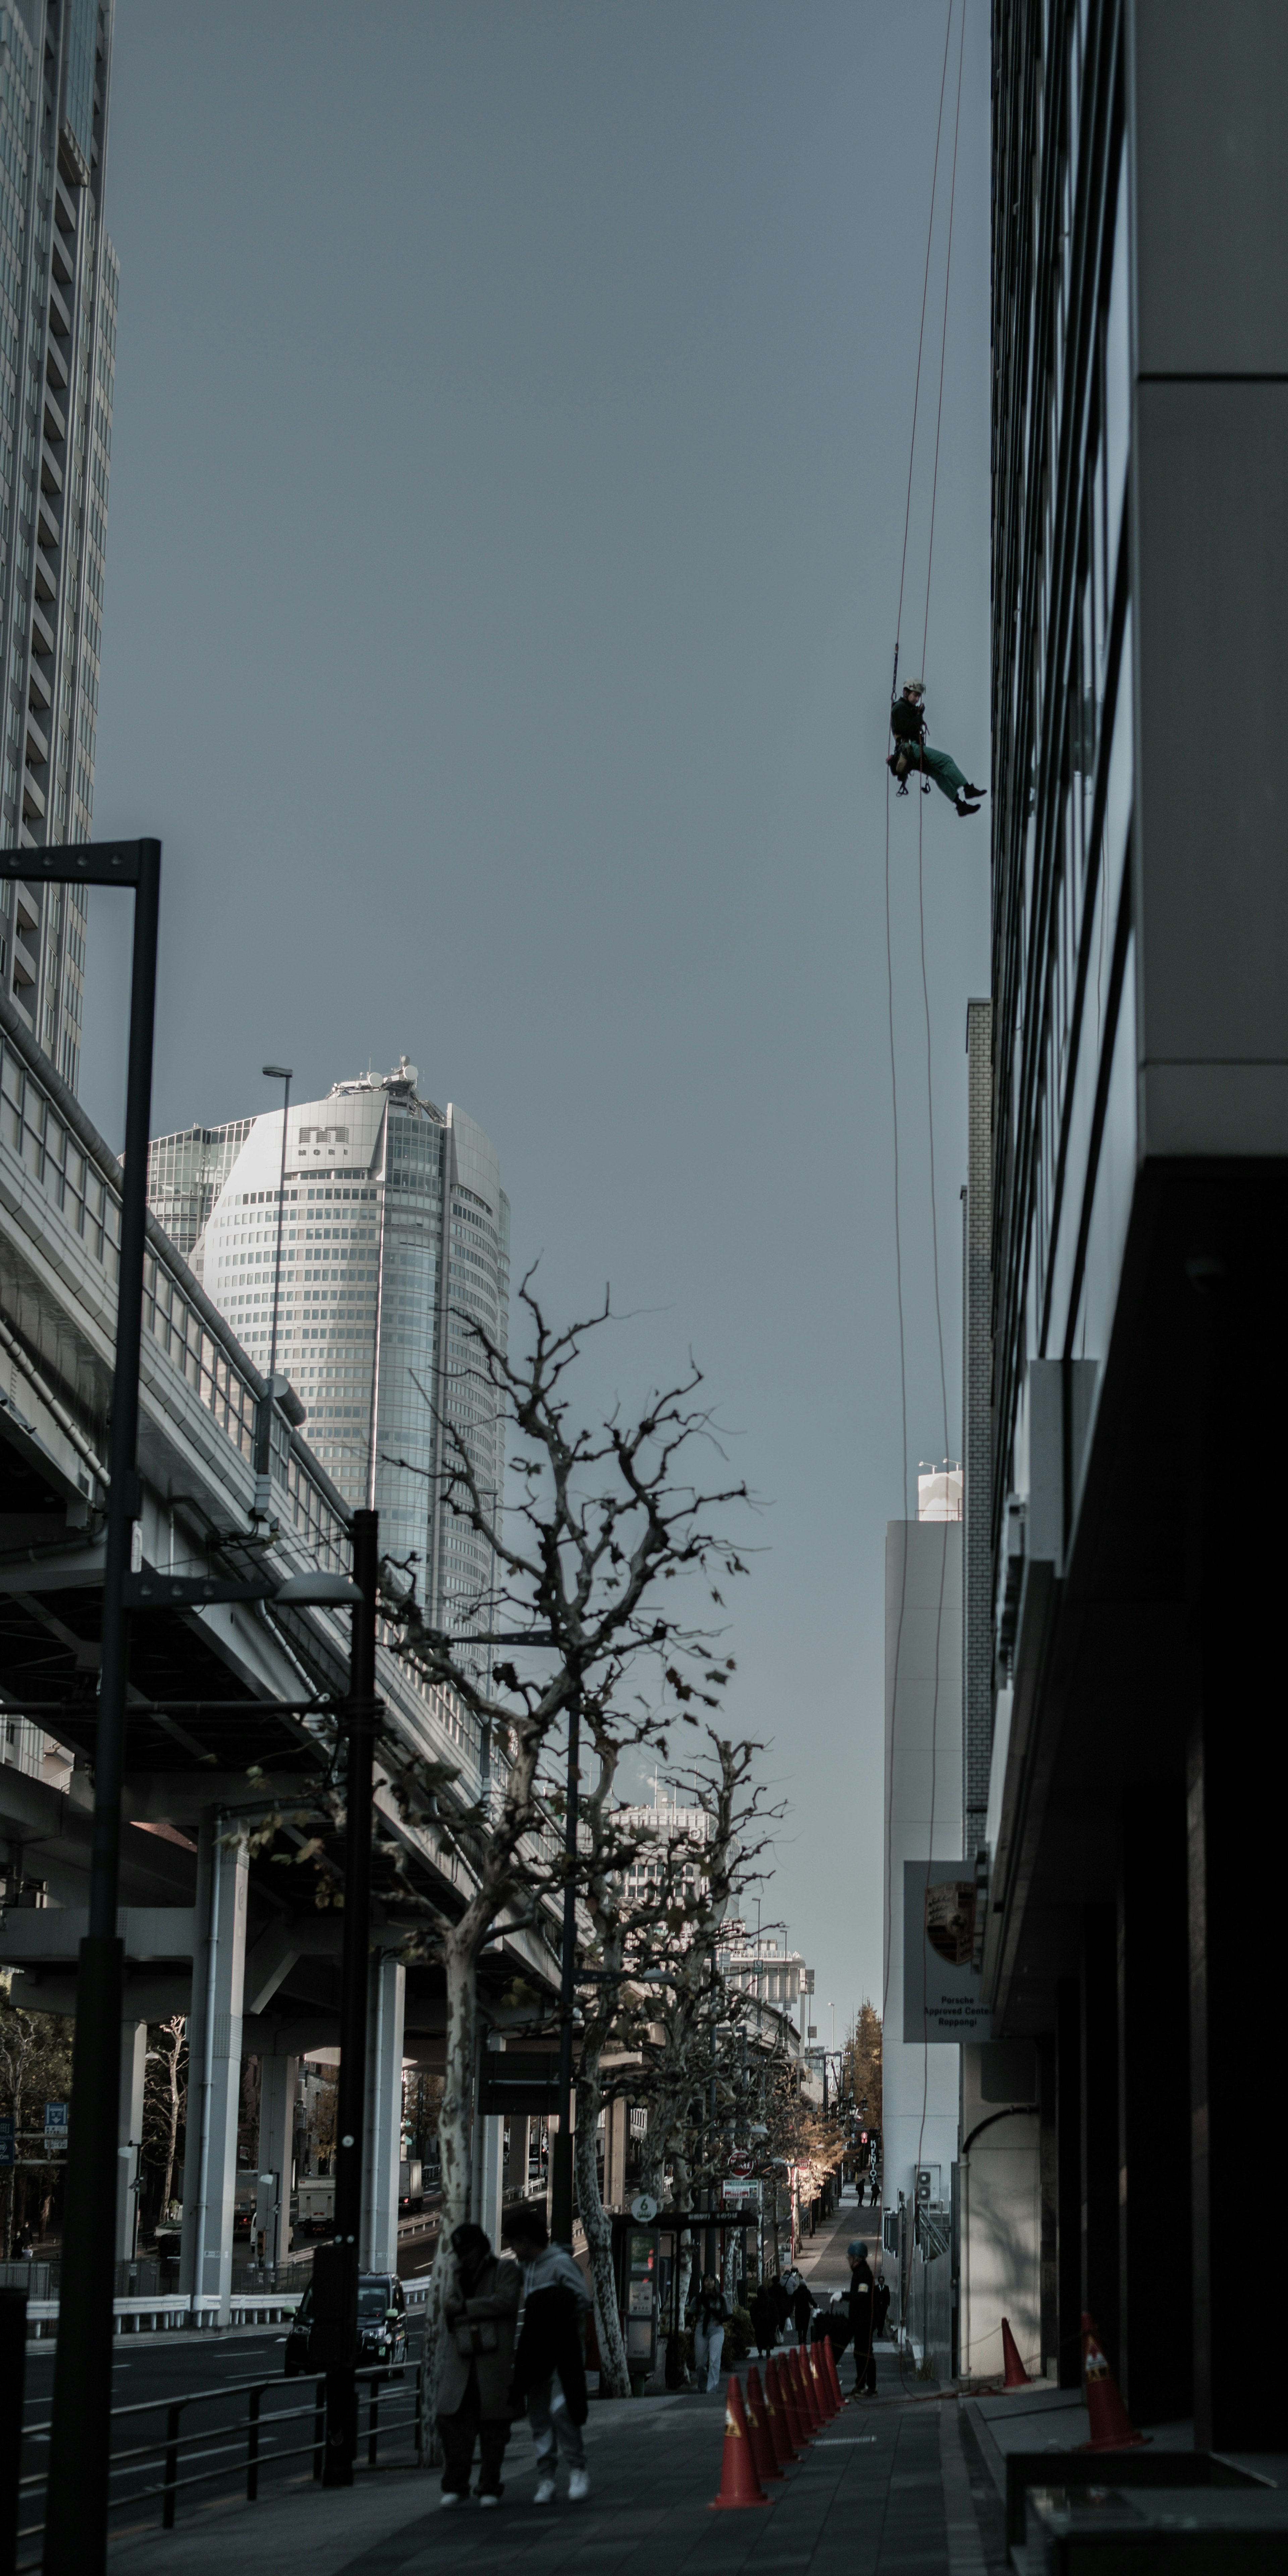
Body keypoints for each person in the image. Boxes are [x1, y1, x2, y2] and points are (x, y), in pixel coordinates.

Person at [501, 2205, 592, 2505]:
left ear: (527, 2241)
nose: (512, 2249)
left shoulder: (560, 2265)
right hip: (536, 2351)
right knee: (539, 2415)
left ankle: (577, 2469)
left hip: (563, 2349)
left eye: (514, 2242)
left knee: (562, 2410)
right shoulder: (525, 2269)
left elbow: (582, 2300)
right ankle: (547, 2477)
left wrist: (555, 2311)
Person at [436, 2222, 522, 2508]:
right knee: (453, 2426)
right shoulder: (457, 2274)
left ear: (481, 2248)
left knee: (494, 2430)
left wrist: (466, 2309)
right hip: (462, 2365)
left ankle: (489, 2485)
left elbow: (507, 2302)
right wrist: (455, 2308)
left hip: (493, 2365)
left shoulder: (505, 2270)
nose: (464, 2258)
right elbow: (450, 2306)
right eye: (460, 2253)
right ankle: (456, 2484)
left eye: (468, 2251)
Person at [887, 680, 985, 817]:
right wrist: (919, 716)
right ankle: (968, 789)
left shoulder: (906, 709)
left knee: (938, 774)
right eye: (915, 695)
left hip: (911, 752)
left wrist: (917, 714)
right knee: (946, 761)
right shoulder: (900, 708)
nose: (916, 699)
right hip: (910, 748)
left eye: (918, 697)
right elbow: (908, 728)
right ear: (906, 692)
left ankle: (960, 805)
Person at [847, 2238, 878, 2398]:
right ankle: (861, 2385)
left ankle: (870, 2387)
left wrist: (844, 2296)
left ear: (857, 2258)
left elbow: (861, 2296)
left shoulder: (864, 2274)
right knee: (860, 2354)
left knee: (865, 2354)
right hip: (860, 2321)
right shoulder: (860, 2273)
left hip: (864, 2321)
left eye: (850, 2258)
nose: (849, 2261)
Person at [689, 2273, 729, 2392]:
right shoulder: (698, 2299)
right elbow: (691, 2314)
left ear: (715, 2283)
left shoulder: (721, 2298)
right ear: (703, 2283)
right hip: (702, 2328)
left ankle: (712, 2388)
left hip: (717, 2330)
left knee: (714, 2359)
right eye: (707, 2280)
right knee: (701, 2362)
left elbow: (729, 2314)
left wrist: (720, 2321)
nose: (709, 2283)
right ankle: (703, 2384)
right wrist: (688, 2326)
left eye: (712, 2280)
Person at [749, 2280, 778, 2356]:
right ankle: (768, 2347)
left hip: (759, 2323)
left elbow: (752, 2312)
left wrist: (754, 2321)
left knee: (759, 2337)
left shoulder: (756, 2302)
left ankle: (760, 2352)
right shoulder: (770, 2301)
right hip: (769, 2322)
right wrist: (776, 2322)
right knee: (769, 2336)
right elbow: (775, 2312)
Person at [790, 2275, 815, 2346]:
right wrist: (816, 2306)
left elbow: (792, 2301)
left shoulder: (796, 2292)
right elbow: (811, 2300)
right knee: (806, 2324)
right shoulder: (807, 2292)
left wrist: (791, 2310)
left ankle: (800, 2336)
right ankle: (804, 2338)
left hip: (798, 2310)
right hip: (806, 2310)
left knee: (799, 2323)